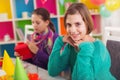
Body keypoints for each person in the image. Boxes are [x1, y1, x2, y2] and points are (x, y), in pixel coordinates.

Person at [48, 3, 116, 80]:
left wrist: (85, 48)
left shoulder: (99, 48)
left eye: (78, 24)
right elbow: (52, 71)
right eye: (69, 25)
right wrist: (59, 41)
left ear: (87, 24)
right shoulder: (71, 46)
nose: (72, 30)